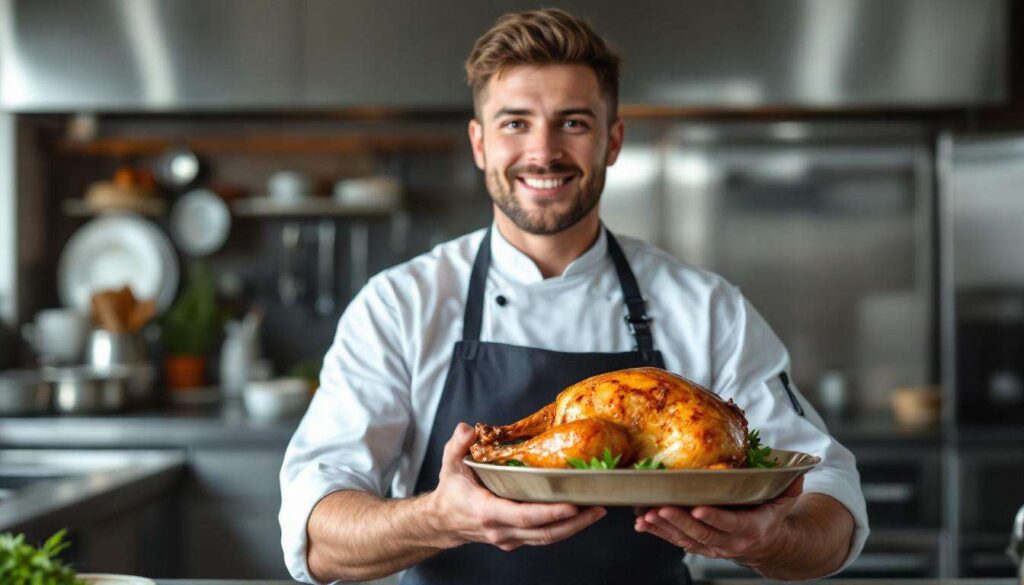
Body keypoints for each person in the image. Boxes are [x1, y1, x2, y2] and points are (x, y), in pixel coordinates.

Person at [280, 8, 868, 585]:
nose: (543, 152)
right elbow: (315, 534)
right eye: (515, 123)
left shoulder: (707, 308)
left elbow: (833, 510)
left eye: (573, 123)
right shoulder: (399, 305)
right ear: (480, 143)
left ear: (612, 141)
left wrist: (772, 541)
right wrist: (440, 518)